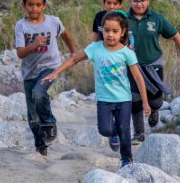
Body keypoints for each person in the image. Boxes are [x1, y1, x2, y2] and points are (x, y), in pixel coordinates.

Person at [42, 10, 151, 167]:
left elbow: (138, 78)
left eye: (115, 31)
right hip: (104, 99)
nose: (110, 35)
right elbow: (75, 59)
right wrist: (55, 72)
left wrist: (145, 102)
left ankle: (126, 160)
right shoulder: (95, 48)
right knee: (104, 130)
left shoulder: (127, 53)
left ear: (123, 32)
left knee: (125, 131)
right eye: (107, 30)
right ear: (102, 30)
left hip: (123, 99)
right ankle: (113, 134)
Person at [126, 0, 180, 144]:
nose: (139, 4)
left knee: (156, 100)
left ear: (148, 0)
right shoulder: (124, 19)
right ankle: (138, 133)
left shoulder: (157, 19)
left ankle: (154, 110)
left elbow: (176, 36)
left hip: (153, 64)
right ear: (130, 1)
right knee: (134, 100)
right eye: (135, 1)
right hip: (132, 65)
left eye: (142, 0)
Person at [15, 0, 76, 156]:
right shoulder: (21, 26)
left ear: (44, 5)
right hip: (29, 72)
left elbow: (65, 34)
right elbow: (20, 53)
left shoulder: (53, 22)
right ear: (24, 5)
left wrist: (73, 51)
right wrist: (33, 45)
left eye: (38, 5)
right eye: (30, 5)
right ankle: (40, 145)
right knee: (33, 116)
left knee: (39, 93)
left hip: (50, 67)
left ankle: (49, 123)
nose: (34, 8)